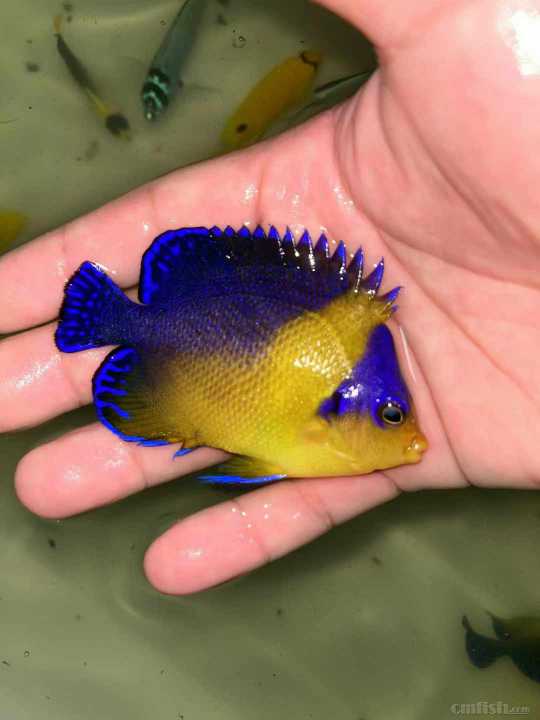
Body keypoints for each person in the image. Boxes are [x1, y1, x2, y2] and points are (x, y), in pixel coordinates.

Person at [0, 0, 538, 595]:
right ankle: (114, 321)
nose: (412, 435)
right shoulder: (350, 379)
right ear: (341, 410)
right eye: (392, 414)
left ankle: (115, 322)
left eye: (395, 414)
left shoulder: (359, 361)